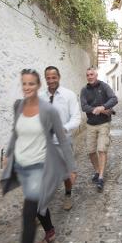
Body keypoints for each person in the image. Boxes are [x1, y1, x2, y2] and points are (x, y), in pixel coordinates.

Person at [3, 68, 77, 243]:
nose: (27, 88)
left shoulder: (49, 110)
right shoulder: (19, 106)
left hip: (44, 165)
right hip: (25, 166)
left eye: (31, 84)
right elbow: (15, 133)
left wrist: (71, 167)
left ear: (38, 86)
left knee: (28, 212)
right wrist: (8, 156)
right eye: (24, 84)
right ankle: (50, 231)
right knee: (37, 205)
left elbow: (63, 140)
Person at [39, 66, 81, 211]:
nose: (51, 80)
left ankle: (68, 195)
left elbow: (76, 118)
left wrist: (64, 128)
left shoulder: (69, 95)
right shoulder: (41, 97)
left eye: (53, 77)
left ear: (59, 77)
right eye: (48, 78)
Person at [80, 67, 118, 191]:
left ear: (96, 75)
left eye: (92, 74)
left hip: (103, 124)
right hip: (90, 124)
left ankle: (101, 177)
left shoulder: (104, 86)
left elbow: (114, 99)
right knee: (91, 151)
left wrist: (103, 107)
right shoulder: (84, 90)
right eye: (88, 75)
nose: (90, 76)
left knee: (102, 149)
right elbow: (84, 106)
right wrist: (95, 110)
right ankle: (97, 170)